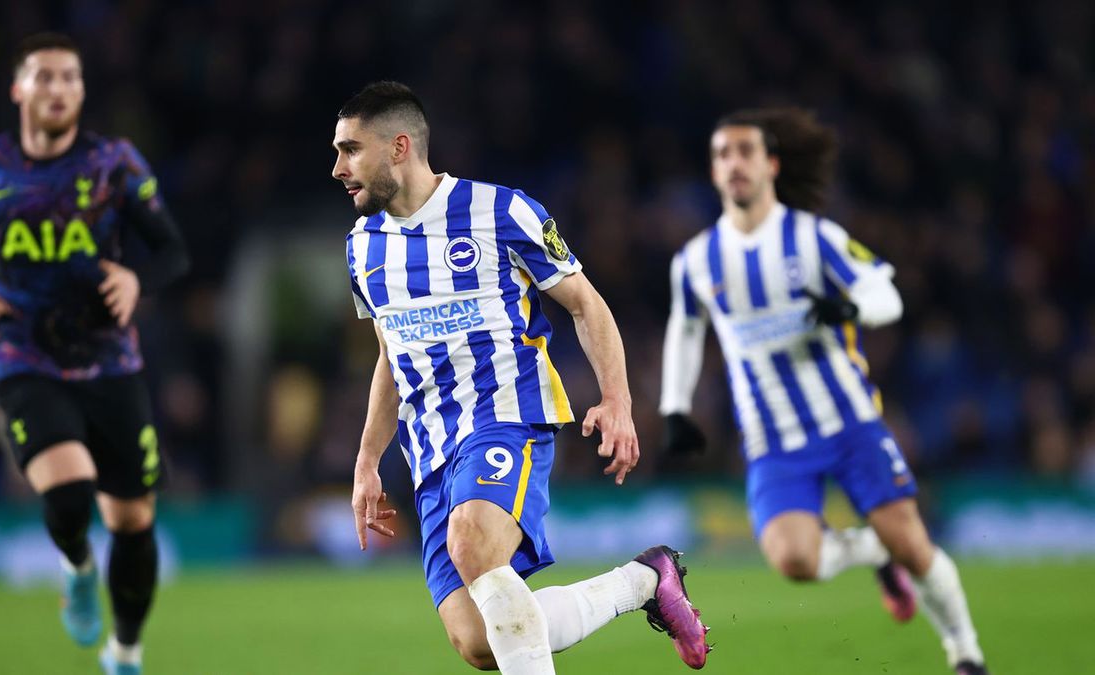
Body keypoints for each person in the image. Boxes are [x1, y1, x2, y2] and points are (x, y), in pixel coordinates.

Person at [334, 81, 710, 673]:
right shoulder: (362, 247)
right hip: (429, 449)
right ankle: (645, 580)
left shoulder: (500, 212)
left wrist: (617, 400)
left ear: (398, 146)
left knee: (472, 538)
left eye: (350, 149)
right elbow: (391, 355)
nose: (338, 168)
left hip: (505, 414)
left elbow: (586, 304)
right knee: (479, 642)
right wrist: (366, 459)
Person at [659, 108, 987, 675]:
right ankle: (872, 551)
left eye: (745, 152)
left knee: (914, 543)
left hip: (848, 421)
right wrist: (675, 407)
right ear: (713, 173)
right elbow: (685, 332)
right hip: (773, 436)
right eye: (722, 154)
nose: (733, 163)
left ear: (772, 165)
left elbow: (887, 295)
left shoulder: (812, 238)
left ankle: (966, 654)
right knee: (793, 560)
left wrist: (849, 306)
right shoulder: (695, 261)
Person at [0, 32, 188, 675]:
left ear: (82, 90)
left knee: (132, 520)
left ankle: (124, 649)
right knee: (68, 494)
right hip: (22, 351)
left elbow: (172, 250)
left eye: (70, 78)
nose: (58, 89)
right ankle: (75, 566)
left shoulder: (115, 162)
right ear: (19, 89)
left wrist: (136, 279)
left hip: (111, 359)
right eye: (44, 77)